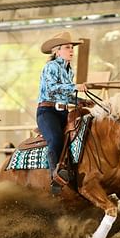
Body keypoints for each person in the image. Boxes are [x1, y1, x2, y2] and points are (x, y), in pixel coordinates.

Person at [37, 31, 88, 194]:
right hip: (47, 112)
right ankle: (55, 175)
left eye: (72, 47)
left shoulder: (68, 70)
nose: (71, 50)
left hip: (63, 111)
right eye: (67, 47)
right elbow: (52, 90)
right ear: (56, 51)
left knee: (81, 134)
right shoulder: (50, 67)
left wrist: (80, 101)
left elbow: (64, 95)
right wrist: (74, 87)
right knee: (56, 138)